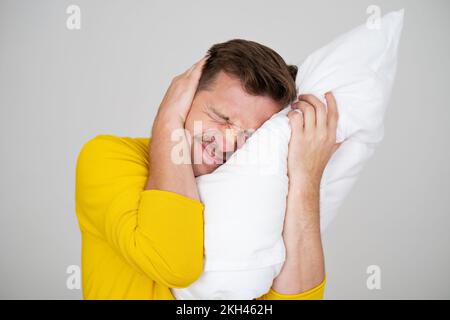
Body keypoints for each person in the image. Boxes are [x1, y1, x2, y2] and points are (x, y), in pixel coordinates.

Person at [75, 39, 341, 299]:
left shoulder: (260, 191)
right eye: (220, 117)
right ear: (186, 98)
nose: (228, 141)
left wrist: (306, 179)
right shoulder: (107, 156)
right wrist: (167, 121)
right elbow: (173, 265)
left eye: (250, 135)